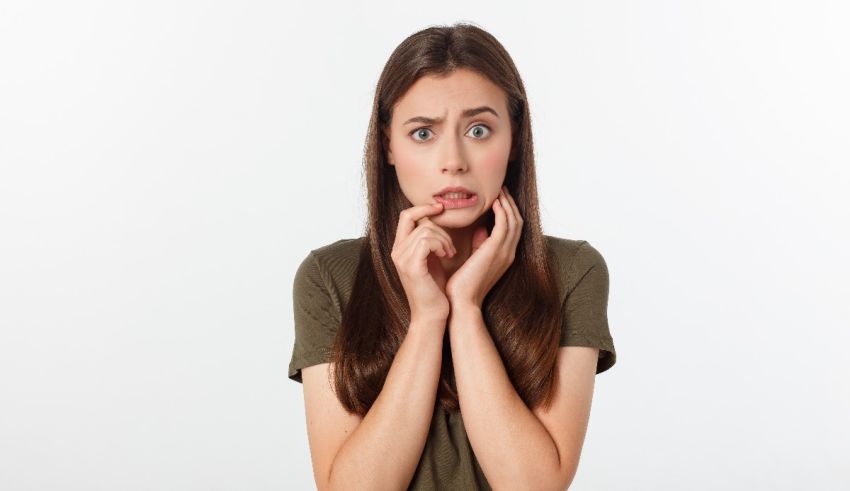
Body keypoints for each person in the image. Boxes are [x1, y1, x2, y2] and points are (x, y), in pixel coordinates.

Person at [288, 22, 617, 491]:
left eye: (479, 129)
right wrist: (426, 319)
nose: (454, 160)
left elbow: (533, 486)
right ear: (388, 146)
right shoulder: (329, 278)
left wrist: (466, 308)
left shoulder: (571, 272)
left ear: (514, 139)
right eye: (423, 133)